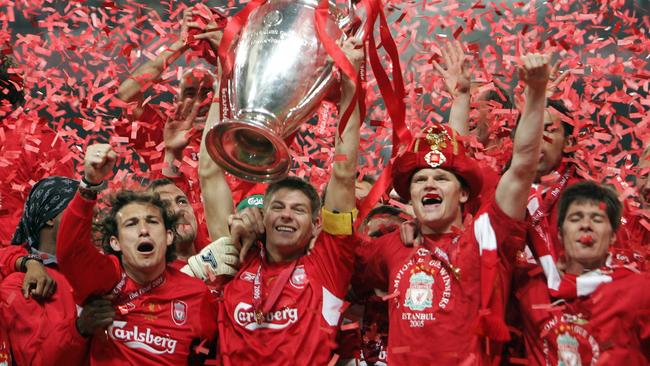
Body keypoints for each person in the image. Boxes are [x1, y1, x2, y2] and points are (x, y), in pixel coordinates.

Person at [355, 53, 551, 364]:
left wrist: (537, 92)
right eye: (420, 180)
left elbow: (523, 166)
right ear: (409, 196)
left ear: (462, 195)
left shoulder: (487, 237)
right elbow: (336, 254)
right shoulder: (393, 246)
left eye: (441, 179)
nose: (429, 185)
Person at [184, 37, 364, 365]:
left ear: (316, 226)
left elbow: (343, 174)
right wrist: (227, 75)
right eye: (278, 207)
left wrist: (351, 82)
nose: (286, 215)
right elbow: (209, 170)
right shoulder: (236, 255)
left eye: (298, 210)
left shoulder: (329, 264)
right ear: (263, 218)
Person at [56, 143, 217, 365]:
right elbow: (71, 252)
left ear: (168, 235)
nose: (143, 230)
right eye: (131, 224)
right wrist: (89, 184)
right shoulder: (107, 280)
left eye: (152, 222)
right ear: (116, 242)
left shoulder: (197, 294)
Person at [516, 181, 650, 365]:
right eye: (575, 218)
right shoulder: (531, 287)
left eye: (597, 219)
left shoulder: (639, 290)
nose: (586, 225)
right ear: (560, 234)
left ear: (612, 235)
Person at [0, 177, 92, 365]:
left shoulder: (101, 276)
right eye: (77, 209)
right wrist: (81, 328)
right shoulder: (21, 285)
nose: (87, 218)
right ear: (50, 217)